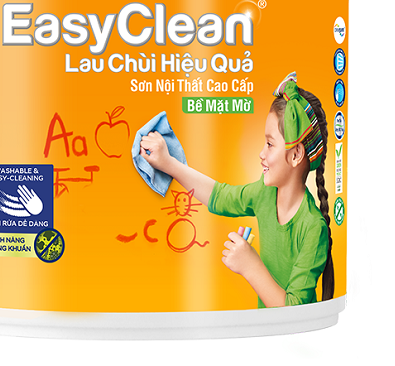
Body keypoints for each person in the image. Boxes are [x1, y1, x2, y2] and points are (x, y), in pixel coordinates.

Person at [139, 72, 334, 308]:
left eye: (270, 144)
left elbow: (294, 312)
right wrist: (168, 164)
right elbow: (220, 197)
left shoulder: (313, 228)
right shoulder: (265, 193)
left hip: (293, 330)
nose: (261, 153)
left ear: (296, 155)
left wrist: (250, 265)